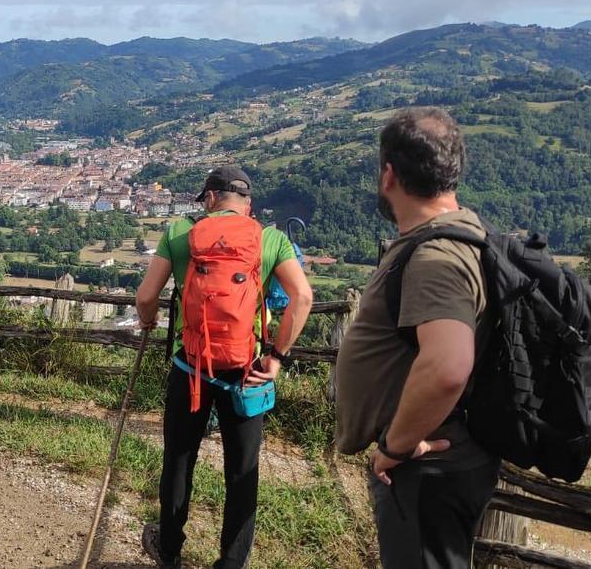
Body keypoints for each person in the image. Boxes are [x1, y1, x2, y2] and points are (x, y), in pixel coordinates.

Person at [335, 108, 497, 568]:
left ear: (388, 175)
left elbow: (447, 368)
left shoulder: (436, 258)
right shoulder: (462, 234)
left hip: (426, 466)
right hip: (441, 459)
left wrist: (397, 446)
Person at [134, 165, 313, 569]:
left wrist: (148, 321)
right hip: (246, 373)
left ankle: (170, 552)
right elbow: (302, 298)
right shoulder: (269, 239)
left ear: (210, 198)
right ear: (247, 203)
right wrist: (276, 358)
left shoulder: (180, 233)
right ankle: (231, 562)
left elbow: (146, 296)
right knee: (242, 471)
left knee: (179, 462)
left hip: (190, 366)